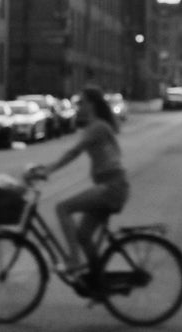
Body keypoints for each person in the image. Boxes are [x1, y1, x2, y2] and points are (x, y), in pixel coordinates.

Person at [28, 85, 129, 278]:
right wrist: (46, 167)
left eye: (81, 102)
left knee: (62, 208)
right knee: (83, 235)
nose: (78, 106)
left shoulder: (98, 127)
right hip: (111, 186)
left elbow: (74, 152)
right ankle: (97, 279)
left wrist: (49, 169)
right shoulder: (97, 126)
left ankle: (74, 260)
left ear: (90, 104)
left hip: (112, 188)